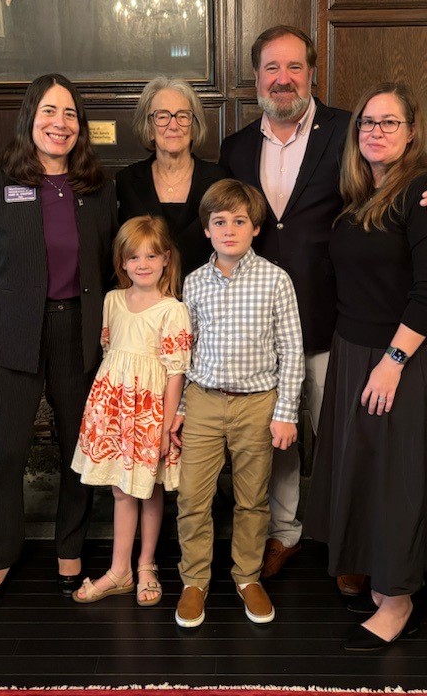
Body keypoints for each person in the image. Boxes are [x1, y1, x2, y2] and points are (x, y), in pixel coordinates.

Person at [218, 25, 427, 590]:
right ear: (256, 78)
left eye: (294, 67)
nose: (282, 79)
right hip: (262, 329)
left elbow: (414, 192)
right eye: (270, 68)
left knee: (344, 443)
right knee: (278, 442)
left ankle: (353, 548)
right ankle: (284, 534)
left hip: (336, 323)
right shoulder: (234, 147)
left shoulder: (350, 130)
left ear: (312, 74)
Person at [304, 81, 427, 651]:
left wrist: (393, 361)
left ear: (412, 132)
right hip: (354, 350)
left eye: (389, 122)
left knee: (398, 480)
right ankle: (379, 580)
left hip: (403, 357)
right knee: (367, 474)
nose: (375, 131)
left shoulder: (426, 192)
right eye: (368, 122)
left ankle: (398, 603)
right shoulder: (359, 193)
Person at [0, 73, 118, 609]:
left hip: (79, 334)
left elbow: (112, 269)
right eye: (50, 112)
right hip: (12, 337)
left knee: (79, 449)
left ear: (81, 126)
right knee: (5, 452)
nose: (61, 123)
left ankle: (70, 550)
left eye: (71, 114)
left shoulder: (98, 188)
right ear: (31, 117)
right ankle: (2, 554)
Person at [169, 179, 304, 628]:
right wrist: (183, 407)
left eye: (239, 222)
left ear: (256, 228)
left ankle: (247, 576)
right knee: (192, 497)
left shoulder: (275, 280)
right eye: (219, 222)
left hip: (257, 404)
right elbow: (188, 351)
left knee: (252, 499)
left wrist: (285, 413)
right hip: (205, 401)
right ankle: (194, 581)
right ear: (206, 230)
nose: (229, 230)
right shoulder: (194, 283)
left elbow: (292, 351)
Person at [70, 216, 192, 606]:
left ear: (166, 260)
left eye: (151, 256)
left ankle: (146, 566)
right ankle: (119, 569)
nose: (142, 264)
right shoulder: (111, 301)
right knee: (122, 491)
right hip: (114, 410)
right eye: (133, 256)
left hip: (149, 415)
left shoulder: (173, 309)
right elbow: (111, 354)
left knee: (150, 489)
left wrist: (162, 427)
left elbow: (176, 373)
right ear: (122, 262)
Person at [116, 77, 226, 279]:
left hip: (206, 303)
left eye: (183, 116)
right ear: (149, 127)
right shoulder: (127, 182)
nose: (173, 125)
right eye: (162, 116)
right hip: (147, 305)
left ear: (193, 125)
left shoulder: (219, 181)